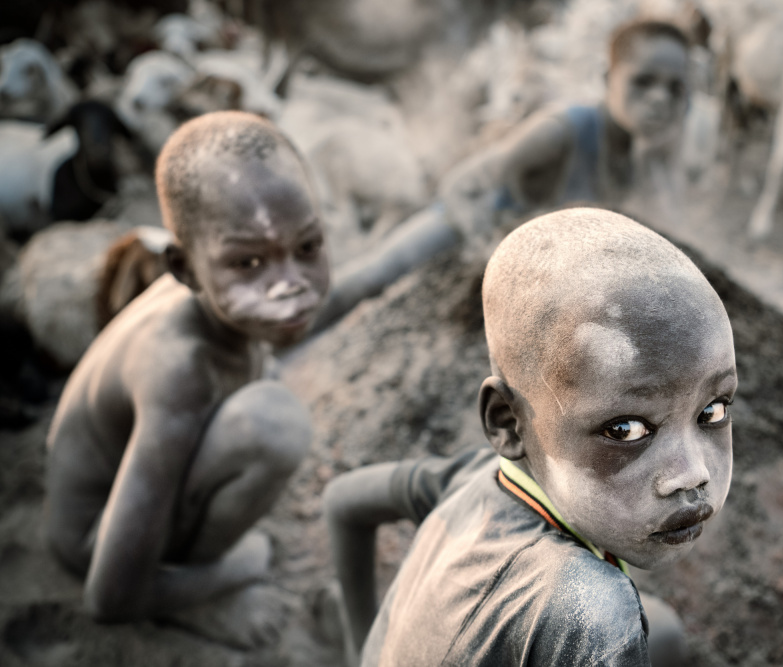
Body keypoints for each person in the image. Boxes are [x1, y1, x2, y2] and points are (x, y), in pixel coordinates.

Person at [321, 207, 737, 665]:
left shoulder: (470, 479)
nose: (691, 474)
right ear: (508, 423)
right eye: (626, 430)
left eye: (712, 411)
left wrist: (358, 650)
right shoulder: (593, 613)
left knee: (663, 634)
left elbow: (344, 501)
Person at [43, 111, 329, 648]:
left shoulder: (219, 299)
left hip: (141, 490)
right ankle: (194, 583)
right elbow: (107, 599)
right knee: (273, 424)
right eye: (249, 263)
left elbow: (334, 294)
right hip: (98, 540)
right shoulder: (180, 370)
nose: (289, 286)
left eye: (308, 248)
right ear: (184, 267)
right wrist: (239, 566)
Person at [308, 19, 692, 332]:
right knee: (369, 279)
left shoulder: (640, 166)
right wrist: (482, 245)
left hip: (528, 281)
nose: (660, 99)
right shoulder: (565, 129)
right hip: (461, 230)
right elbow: (462, 184)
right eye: (643, 81)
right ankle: (280, 337)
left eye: (676, 89)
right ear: (609, 78)